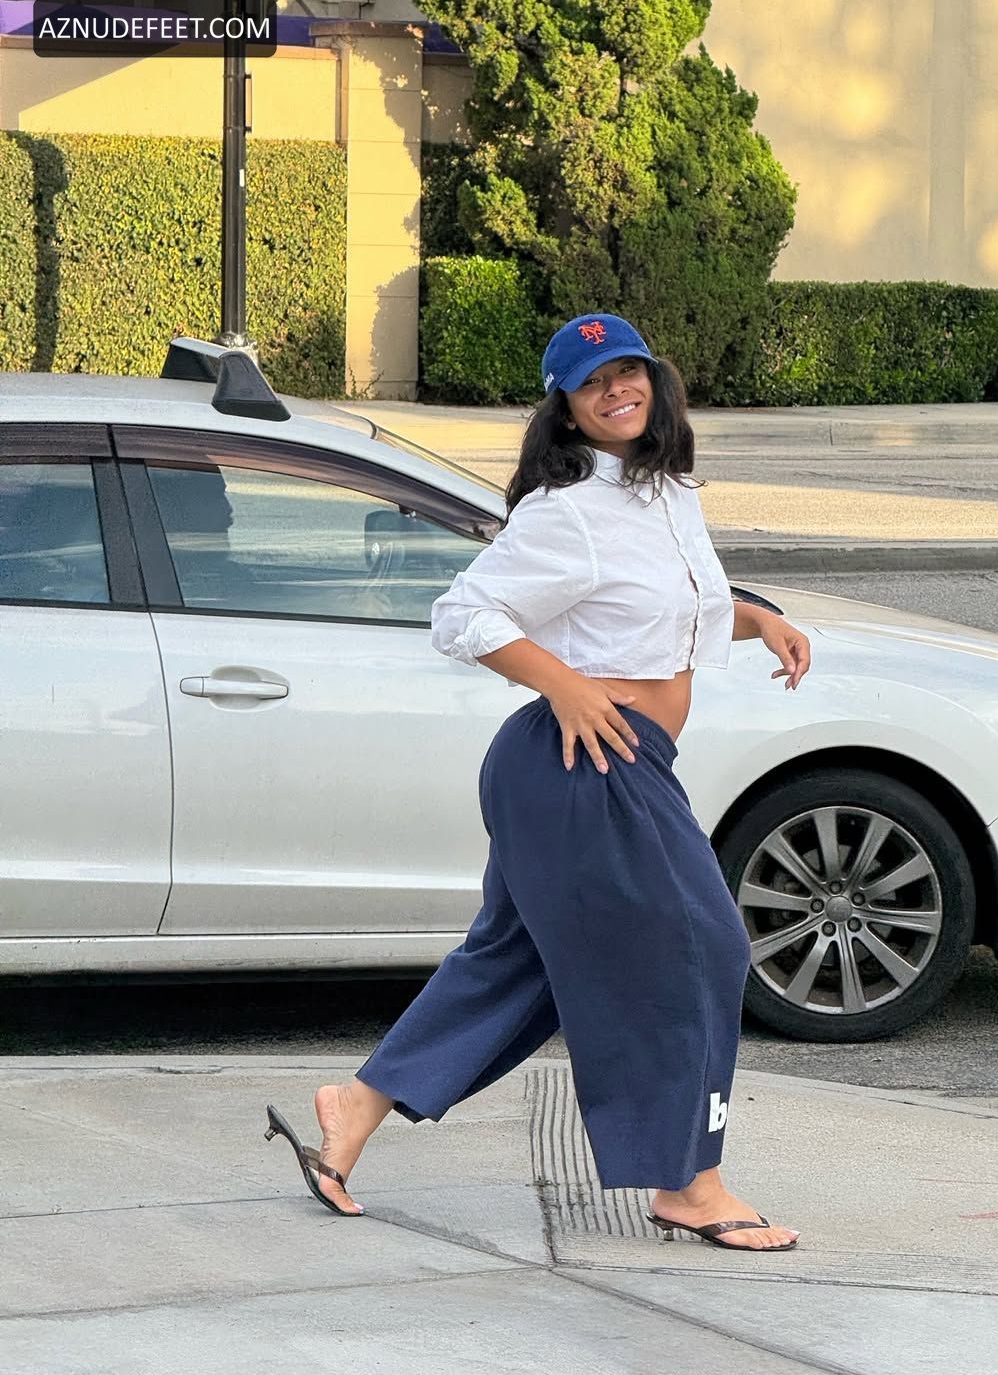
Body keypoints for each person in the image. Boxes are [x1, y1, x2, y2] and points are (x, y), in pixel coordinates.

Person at [266, 314, 812, 1251]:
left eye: (627, 371)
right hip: (588, 767)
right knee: (703, 948)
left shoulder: (666, 489)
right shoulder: (567, 509)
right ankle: (688, 1183)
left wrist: (757, 620)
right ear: (565, 408)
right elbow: (461, 615)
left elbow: (656, 612)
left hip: (599, 770)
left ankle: (352, 1110)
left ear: (654, 379)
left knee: (517, 966)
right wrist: (561, 684)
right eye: (591, 382)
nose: (616, 391)